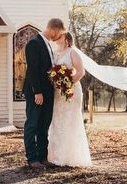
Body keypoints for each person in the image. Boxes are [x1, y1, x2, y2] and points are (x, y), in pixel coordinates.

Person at [23, 18, 66, 169]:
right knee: (32, 124)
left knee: (44, 125)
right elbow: (32, 70)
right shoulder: (34, 43)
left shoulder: (48, 44)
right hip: (37, 93)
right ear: (54, 29)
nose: (58, 36)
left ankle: (43, 157)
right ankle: (32, 159)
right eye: (59, 33)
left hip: (48, 93)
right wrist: (38, 92)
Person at [47, 32, 92, 167]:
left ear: (66, 39)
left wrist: (67, 84)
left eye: (59, 37)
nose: (56, 39)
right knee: (57, 120)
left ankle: (72, 156)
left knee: (71, 120)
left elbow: (81, 72)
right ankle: (56, 156)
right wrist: (57, 83)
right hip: (57, 93)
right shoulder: (54, 52)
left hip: (71, 91)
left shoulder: (73, 52)